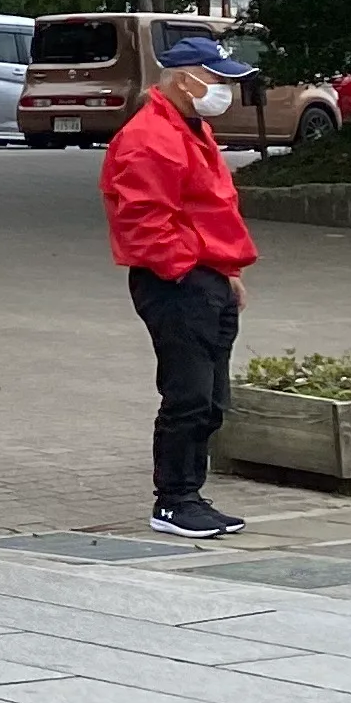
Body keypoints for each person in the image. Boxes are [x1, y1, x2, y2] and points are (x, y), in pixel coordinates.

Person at [104, 29, 259, 538]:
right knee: (188, 396)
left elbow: (208, 210)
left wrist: (225, 271)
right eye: (215, 78)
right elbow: (145, 223)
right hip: (178, 281)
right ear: (184, 79)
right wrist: (192, 269)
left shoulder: (187, 129)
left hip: (200, 276)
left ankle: (188, 494)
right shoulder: (150, 138)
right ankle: (173, 500)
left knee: (210, 399)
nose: (223, 89)